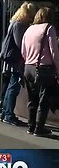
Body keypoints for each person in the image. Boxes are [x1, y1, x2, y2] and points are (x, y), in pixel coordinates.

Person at [21, 7, 58, 136]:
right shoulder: (49, 28)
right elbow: (54, 51)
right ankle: (39, 128)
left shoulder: (29, 29)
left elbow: (23, 50)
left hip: (28, 67)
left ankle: (31, 126)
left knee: (32, 99)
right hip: (44, 68)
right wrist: (58, 69)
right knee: (44, 100)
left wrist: (29, 60)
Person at [0, 2, 36, 126]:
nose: (31, 18)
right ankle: (9, 114)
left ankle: (5, 113)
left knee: (11, 85)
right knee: (13, 87)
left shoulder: (14, 22)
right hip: (15, 59)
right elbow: (20, 44)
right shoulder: (19, 25)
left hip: (10, 58)